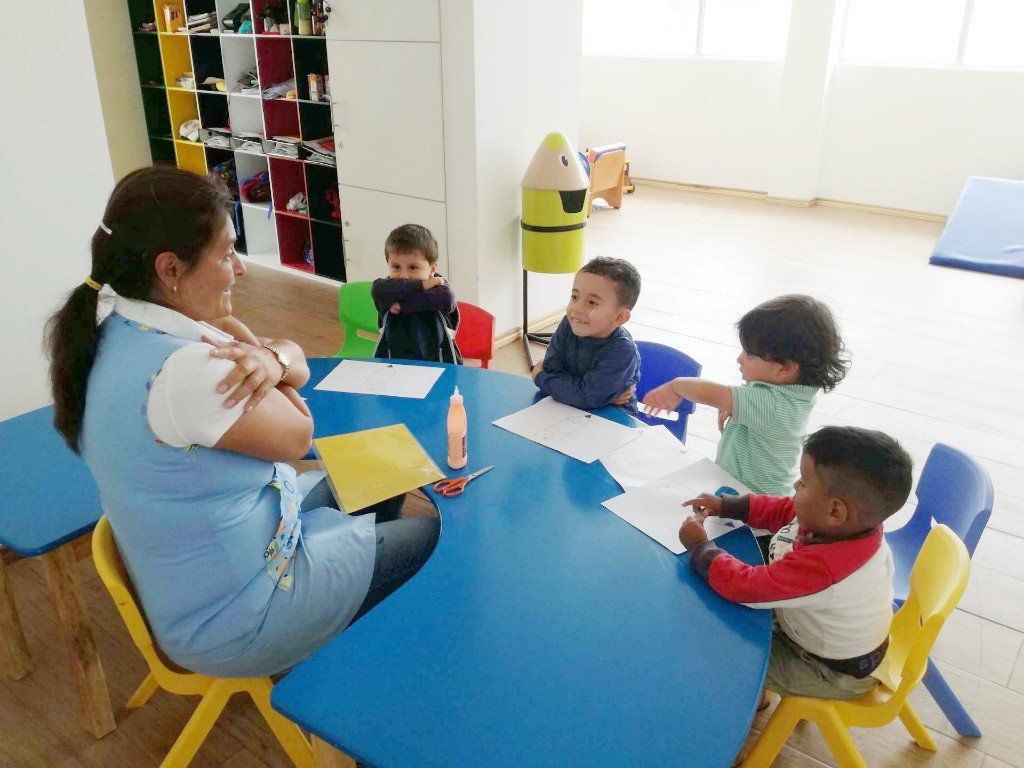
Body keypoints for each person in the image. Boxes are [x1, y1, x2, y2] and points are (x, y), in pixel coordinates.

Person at [46, 167, 439, 678]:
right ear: (170, 268)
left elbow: (297, 365)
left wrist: (271, 358)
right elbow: (300, 432)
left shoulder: (117, 328)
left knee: (384, 468)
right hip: (243, 615)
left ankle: (354, 604)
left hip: (232, 556)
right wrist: (249, 340)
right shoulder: (189, 371)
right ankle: (352, 644)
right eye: (228, 252)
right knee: (432, 536)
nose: (241, 269)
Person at [680, 426, 912, 701]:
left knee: (727, 657)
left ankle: (749, 705)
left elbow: (745, 587)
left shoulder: (825, 568)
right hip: (822, 634)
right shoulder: (847, 525)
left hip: (829, 670)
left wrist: (700, 547)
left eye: (804, 481)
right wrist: (729, 506)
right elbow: (785, 510)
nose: (795, 486)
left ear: (835, 510)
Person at [642, 295, 849, 495]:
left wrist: (676, 386)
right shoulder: (796, 394)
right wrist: (736, 403)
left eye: (749, 354)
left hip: (751, 502)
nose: (739, 359)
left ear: (785, 368)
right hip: (754, 494)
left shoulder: (770, 404)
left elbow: (708, 393)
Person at [531, 256, 641, 412]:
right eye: (574, 297)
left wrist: (540, 377)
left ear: (619, 317)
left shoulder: (623, 351)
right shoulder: (568, 324)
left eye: (592, 303)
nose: (576, 308)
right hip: (562, 408)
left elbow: (588, 396)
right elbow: (551, 369)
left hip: (610, 417)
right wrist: (598, 396)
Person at [371, 223, 462, 363]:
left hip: (440, 363)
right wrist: (422, 285)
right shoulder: (386, 289)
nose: (404, 276)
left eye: (413, 267)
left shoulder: (441, 290)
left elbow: (447, 298)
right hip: (393, 364)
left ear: (432, 269)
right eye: (396, 267)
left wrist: (403, 305)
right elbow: (376, 290)